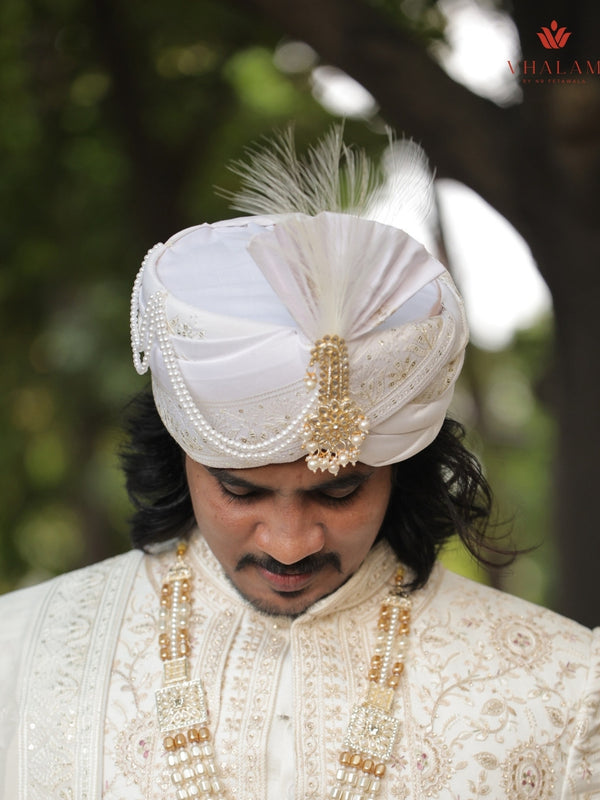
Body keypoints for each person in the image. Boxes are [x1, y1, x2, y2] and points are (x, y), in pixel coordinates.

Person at [0, 128, 598, 799]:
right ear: (179, 458)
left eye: (339, 493)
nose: (290, 543)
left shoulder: (565, 691)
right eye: (241, 490)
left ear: (404, 470)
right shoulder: (18, 655)